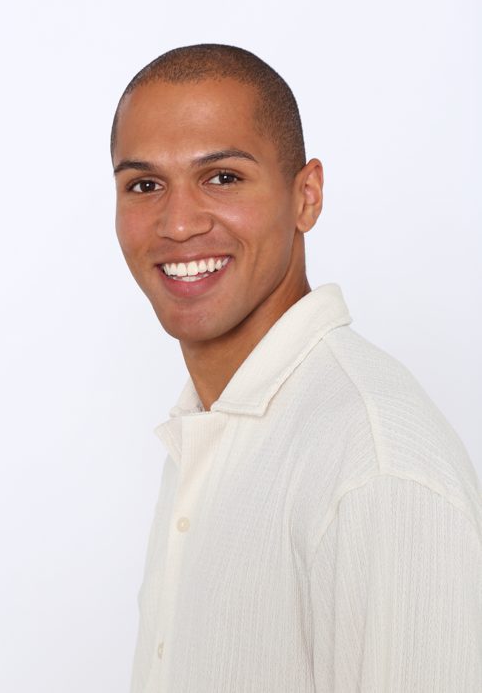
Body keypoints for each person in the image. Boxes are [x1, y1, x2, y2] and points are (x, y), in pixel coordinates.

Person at [111, 44, 481, 693]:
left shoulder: (374, 468)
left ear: (306, 196)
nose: (178, 223)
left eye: (222, 177)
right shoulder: (207, 431)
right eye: (145, 185)